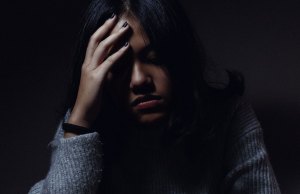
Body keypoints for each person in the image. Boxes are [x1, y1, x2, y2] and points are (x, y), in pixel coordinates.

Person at [28, 0, 281, 193]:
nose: (139, 80)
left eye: (155, 58)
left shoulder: (228, 116)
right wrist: (79, 121)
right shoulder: (83, 128)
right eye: (117, 66)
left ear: (180, 57)